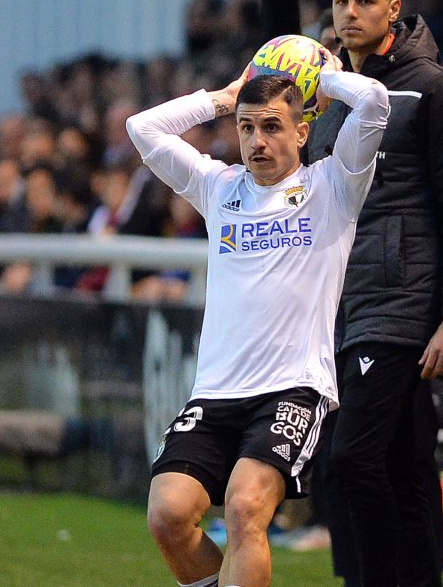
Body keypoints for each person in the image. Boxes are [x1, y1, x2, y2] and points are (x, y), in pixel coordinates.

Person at [261, 0, 443, 584]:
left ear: (394, 10)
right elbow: (278, 67)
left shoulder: (431, 88)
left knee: (350, 460)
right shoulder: (330, 90)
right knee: (402, 461)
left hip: (399, 303)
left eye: (364, 1)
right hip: (340, 303)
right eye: (340, 1)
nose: (349, 12)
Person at [129, 51, 390, 587]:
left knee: (245, 508)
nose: (257, 140)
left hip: (293, 387)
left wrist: (326, 80)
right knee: (168, 514)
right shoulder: (218, 188)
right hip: (216, 391)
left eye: (272, 126)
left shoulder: (334, 185)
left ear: (302, 131)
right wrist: (221, 99)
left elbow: (375, 102)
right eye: (246, 127)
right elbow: (142, 129)